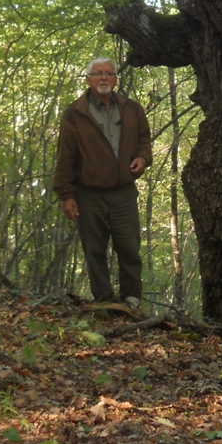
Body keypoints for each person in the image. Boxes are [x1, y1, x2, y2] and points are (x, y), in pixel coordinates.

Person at [53, 57, 152, 307]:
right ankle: (104, 304)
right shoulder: (75, 113)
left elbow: (144, 140)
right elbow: (65, 157)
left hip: (124, 194)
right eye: (97, 73)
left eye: (109, 73)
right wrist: (67, 195)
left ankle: (132, 303)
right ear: (87, 79)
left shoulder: (132, 109)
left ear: (116, 78)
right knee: (95, 251)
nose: (104, 78)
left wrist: (143, 158)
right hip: (89, 194)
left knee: (129, 250)